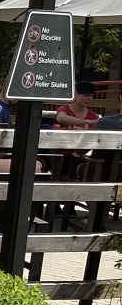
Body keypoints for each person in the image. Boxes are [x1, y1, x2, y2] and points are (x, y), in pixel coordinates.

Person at [54, 81, 100, 210]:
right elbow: (61, 119)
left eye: (91, 95)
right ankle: (57, 201)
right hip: (63, 152)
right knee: (65, 164)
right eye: (85, 95)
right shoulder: (64, 109)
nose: (89, 98)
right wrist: (87, 122)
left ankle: (71, 204)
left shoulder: (93, 114)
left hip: (82, 154)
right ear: (76, 94)